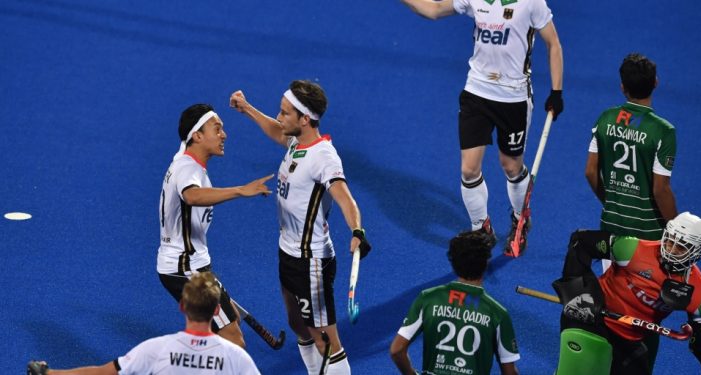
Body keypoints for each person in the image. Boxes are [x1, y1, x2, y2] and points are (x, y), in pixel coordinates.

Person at [229, 80, 372, 375]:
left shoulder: (324, 157)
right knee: (298, 324)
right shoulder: (296, 141)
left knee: (326, 341)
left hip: (311, 261)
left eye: (285, 113)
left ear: (305, 119)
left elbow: (345, 198)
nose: (279, 117)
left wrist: (357, 231)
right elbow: (274, 130)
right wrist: (247, 109)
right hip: (288, 252)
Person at [399, 0, 564, 255]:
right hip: (476, 92)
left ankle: (521, 217)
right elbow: (433, 9)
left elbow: (553, 43)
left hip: (513, 98)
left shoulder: (532, 2)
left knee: (511, 166)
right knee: (468, 169)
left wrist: (556, 91)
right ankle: (480, 229)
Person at [552, 212, 701, 375]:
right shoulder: (633, 249)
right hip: (591, 317)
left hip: (632, 338)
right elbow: (581, 241)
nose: (671, 250)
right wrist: (579, 294)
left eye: (681, 247)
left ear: (697, 252)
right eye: (670, 240)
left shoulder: (700, 294)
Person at [157, 104, 274, 349]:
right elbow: (192, 196)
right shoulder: (187, 168)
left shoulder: (185, 159)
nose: (224, 135)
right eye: (217, 128)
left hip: (190, 264)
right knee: (233, 340)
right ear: (197, 136)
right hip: (186, 269)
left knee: (225, 326)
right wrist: (241, 190)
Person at [27, 272, 262, 375]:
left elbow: (103, 373)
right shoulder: (237, 357)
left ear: (182, 306)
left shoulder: (156, 349)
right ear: (218, 309)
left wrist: (49, 373)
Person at [585, 53, 678, 272]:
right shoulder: (663, 131)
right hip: (648, 234)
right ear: (655, 83)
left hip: (612, 227)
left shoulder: (605, 118)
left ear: (622, 86)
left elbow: (590, 172)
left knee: (613, 295)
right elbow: (661, 189)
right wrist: (675, 229)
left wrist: (611, 202)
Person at [390, 231, 521, 375]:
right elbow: (509, 372)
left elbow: (397, 350)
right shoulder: (497, 313)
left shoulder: (428, 298)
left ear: (453, 262)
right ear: (486, 263)